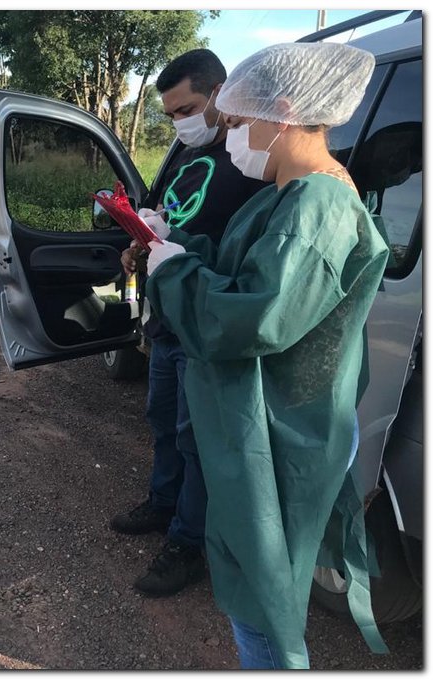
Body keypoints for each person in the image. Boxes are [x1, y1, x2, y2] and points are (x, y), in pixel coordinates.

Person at [143, 42, 389, 668]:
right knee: (254, 584)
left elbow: (256, 315)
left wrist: (174, 273)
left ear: (283, 112)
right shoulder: (285, 192)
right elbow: (240, 266)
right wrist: (179, 243)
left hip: (287, 428)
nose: (230, 139)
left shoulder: (317, 206)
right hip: (271, 418)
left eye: (236, 122)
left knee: (263, 602)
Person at [108, 49, 268, 598]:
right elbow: (163, 214)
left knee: (197, 436)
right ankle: (163, 502)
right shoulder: (184, 148)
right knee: (163, 419)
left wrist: (174, 251)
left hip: (206, 319)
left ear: (220, 93)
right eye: (172, 114)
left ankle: (188, 542)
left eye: (187, 109)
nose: (180, 123)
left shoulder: (252, 155)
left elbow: (242, 252)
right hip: (168, 317)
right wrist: (139, 243)